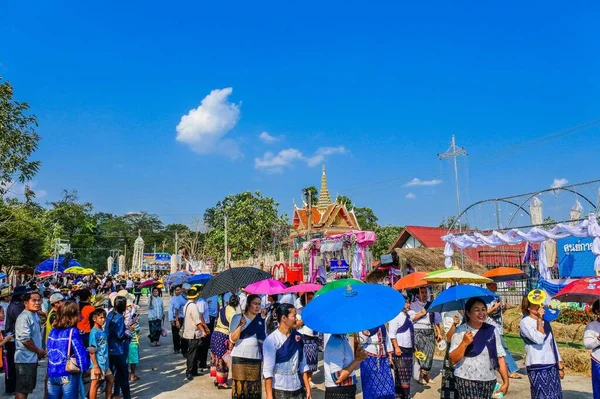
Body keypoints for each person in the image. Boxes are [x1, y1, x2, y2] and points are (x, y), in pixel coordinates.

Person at [449, 297, 509, 398]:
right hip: (466, 379)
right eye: (477, 310)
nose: (481, 313)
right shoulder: (460, 331)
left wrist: (506, 381)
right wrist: (464, 343)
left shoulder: (492, 331)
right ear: (468, 313)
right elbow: (453, 360)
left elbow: (500, 357)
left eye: (483, 309)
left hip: (489, 380)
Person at [519, 294, 564, 399]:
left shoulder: (546, 322)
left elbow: (552, 344)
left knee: (555, 395)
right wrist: (539, 320)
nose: (540, 307)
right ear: (529, 307)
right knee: (541, 395)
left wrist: (560, 366)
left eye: (540, 304)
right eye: (536, 305)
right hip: (537, 364)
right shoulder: (525, 322)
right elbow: (539, 339)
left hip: (551, 364)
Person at [263, 303, 312, 399]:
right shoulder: (271, 340)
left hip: (298, 387)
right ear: (284, 318)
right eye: (294, 316)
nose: (297, 319)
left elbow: (303, 364)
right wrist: (269, 396)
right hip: (280, 389)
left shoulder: (298, 337)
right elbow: (268, 371)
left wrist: (307, 387)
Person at [46, 301, 90, 399]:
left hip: (53, 374)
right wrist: (86, 364)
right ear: (73, 316)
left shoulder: (53, 331)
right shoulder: (72, 331)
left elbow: (49, 350)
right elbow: (80, 354)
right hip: (67, 374)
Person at [230, 294, 266, 399]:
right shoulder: (237, 318)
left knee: (254, 389)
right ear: (248, 304)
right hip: (239, 358)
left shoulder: (261, 321)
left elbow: (264, 340)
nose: (257, 306)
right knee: (240, 389)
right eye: (255, 304)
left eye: (259, 304)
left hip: (255, 358)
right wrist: (240, 326)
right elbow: (233, 339)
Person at [486, 282, 521, 379]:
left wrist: (504, 308)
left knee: (497, 349)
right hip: (491, 326)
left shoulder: (497, 297)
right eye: (492, 285)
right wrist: (495, 308)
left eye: (495, 284)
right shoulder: (486, 298)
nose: (495, 286)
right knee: (503, 348)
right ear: (488, 286)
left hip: (498, 326)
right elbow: (485, 313)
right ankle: (511, 369)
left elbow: (499, 313)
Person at [14, 291, 46, 399]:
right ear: (26, 303)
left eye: (38, 300)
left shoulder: (34, 314)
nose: (37, 303)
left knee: (26, 388)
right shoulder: (24, 317)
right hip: (24, 359)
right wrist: (38, 351)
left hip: (31, 359)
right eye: (34, 300)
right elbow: (25, 340)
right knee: (22, 389)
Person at [410, 286, 442, 384]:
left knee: (429, 353)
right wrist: (421, 313)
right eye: (422, 292)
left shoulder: (431, 305)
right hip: (418, 330)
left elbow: (437, 320)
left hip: (429, 330)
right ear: (418, 294)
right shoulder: (413, 305)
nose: (424, 294)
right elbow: (411, 318)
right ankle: (422, 375)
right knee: (420, 354)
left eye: (425, 292)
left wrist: (439, 332)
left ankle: (425, 373)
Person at [323, 333, 366, 399]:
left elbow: (352, 368)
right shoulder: (336, 343)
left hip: (345, 390)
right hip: (339, 392)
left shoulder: (343, 339)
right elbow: (337, 377)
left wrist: (358, 357)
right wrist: (357, 360)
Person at [358, 324, 395, 399]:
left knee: (386, 382)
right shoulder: (362, 322)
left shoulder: (381, 322)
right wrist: (367, 331)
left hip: (383, 355)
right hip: (368, 356)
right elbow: (362, 340)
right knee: (371, 383)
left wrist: (390, 355)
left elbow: (386, 338)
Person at [106, 296, 132, 399]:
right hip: (118, 349)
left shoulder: (110, 314)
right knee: (123, 375)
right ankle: (126, 396)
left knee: (109, 374)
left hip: (109, 348)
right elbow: (121, 336)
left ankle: (112, 394)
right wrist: (129, 330)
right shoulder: (120, 317)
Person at [211, 294, 238, 389]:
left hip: (215, 334)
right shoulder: (233, 312)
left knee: (217, 358)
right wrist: (232, 341)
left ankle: (217, 379)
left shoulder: (223, 309)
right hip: (223, 335)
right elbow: (232, 328)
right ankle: (222, 382)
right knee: (223, 359)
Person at [388, 298, 414, 399]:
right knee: (402, 374)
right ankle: (404, 395)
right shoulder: (395, 317)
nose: (408, 305)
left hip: (408, 348)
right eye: (406, 303)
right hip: (400, 349)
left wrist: (413, 345)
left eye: (408, 303)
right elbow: (392, 334)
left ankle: (401, 395)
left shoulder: (407, 316)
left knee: (406, 373)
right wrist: (396, 347)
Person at [181, 287, 209, 380]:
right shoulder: (193, 306)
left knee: (195, 353)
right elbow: (197, 321)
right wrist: (203, 331)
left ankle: (194, 370)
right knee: (192, 354)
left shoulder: (187, 304)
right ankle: (189, 371)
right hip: (193, 333)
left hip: (189, 331)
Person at [5, 285, 27, 395]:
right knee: (14, 365)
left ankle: (11, 387)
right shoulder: (17, 306)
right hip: (13, 338)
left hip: (12, 338)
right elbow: (21, 321)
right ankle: (12, 387)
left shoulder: (13, 305)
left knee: (12, 364)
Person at [89, 308, 114, 399]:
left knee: (111, 379)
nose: (103, 320)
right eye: (101, 318)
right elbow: (92, 351)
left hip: (104, 363)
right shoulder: (94, 333)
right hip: (98, 363)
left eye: (104, 318)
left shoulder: (101, 330)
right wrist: (95, 366)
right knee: (95, 384)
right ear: (94, 319)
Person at [295, 293, 318, 388]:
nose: (310, 300)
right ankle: (304, 380)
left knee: (313, 360)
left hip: (314, 336)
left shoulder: (315, 309)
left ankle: (310, 380)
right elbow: (296, 324)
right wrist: (306, 317)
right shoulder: (300, 310)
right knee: (305, 360)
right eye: (308, 298)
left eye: (311, 298)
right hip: (304, 336)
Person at [583, 299, 600, 399]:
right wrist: (598, 339)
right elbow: (587, 344)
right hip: (598, 362)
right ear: (597, 312)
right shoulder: (592, 326)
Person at [194, 286, 211, 372]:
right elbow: (200, 316)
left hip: (205, 323)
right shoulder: (201, 301)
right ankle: (201, 363)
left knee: (205, 345)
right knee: (202, 345)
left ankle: (203, 363)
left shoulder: (203, 301)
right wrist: (205, 327)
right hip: (203, 324)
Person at [168, 285, 185, 354]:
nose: (177, 291)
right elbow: (170, 310)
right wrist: (171, 319)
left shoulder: (184, 298)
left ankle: (184, 347)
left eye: (179, 290)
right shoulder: (172, 299)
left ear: (181, 290)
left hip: (183, 318)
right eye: (176, 290)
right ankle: (176, 348)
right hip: (175, 318)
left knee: (183, 334)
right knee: (175, 334)